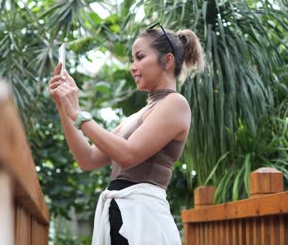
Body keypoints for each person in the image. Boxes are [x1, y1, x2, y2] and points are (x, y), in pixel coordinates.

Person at [49, 23, 205, 245]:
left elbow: (128, 155)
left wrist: (78, 113)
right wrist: (63, 108)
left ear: (168, 60)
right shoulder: (138, 115)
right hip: (121, 214)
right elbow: (88, 159)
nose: (133, 66)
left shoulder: (175, 104)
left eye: (140, 57)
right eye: (133, 59)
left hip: (144, 219)